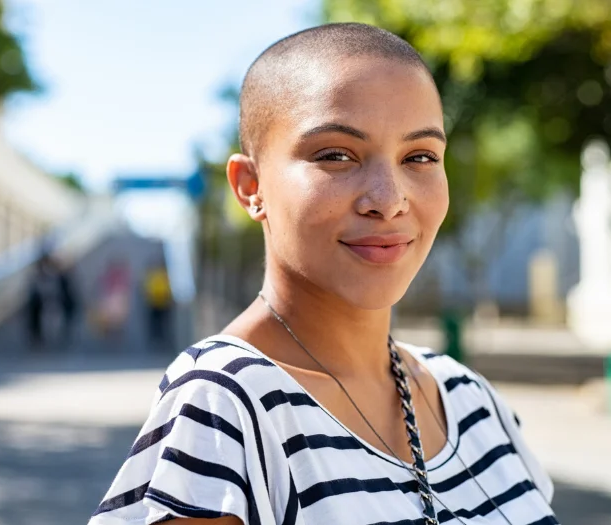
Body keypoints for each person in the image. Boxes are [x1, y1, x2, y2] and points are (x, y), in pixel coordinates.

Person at [89, 24, 557, 525]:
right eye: (336, 155)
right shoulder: (226, 408)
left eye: (419, 156)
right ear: (251, 186)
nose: (389, 199)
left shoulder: (469, 397)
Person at [144, 260, 173, 347]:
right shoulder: (160, 275)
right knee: (157, 322)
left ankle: (161, 338)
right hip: (155, 302)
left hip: (161, 302)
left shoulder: (161, 275)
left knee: (161, 322)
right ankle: (156, 338)